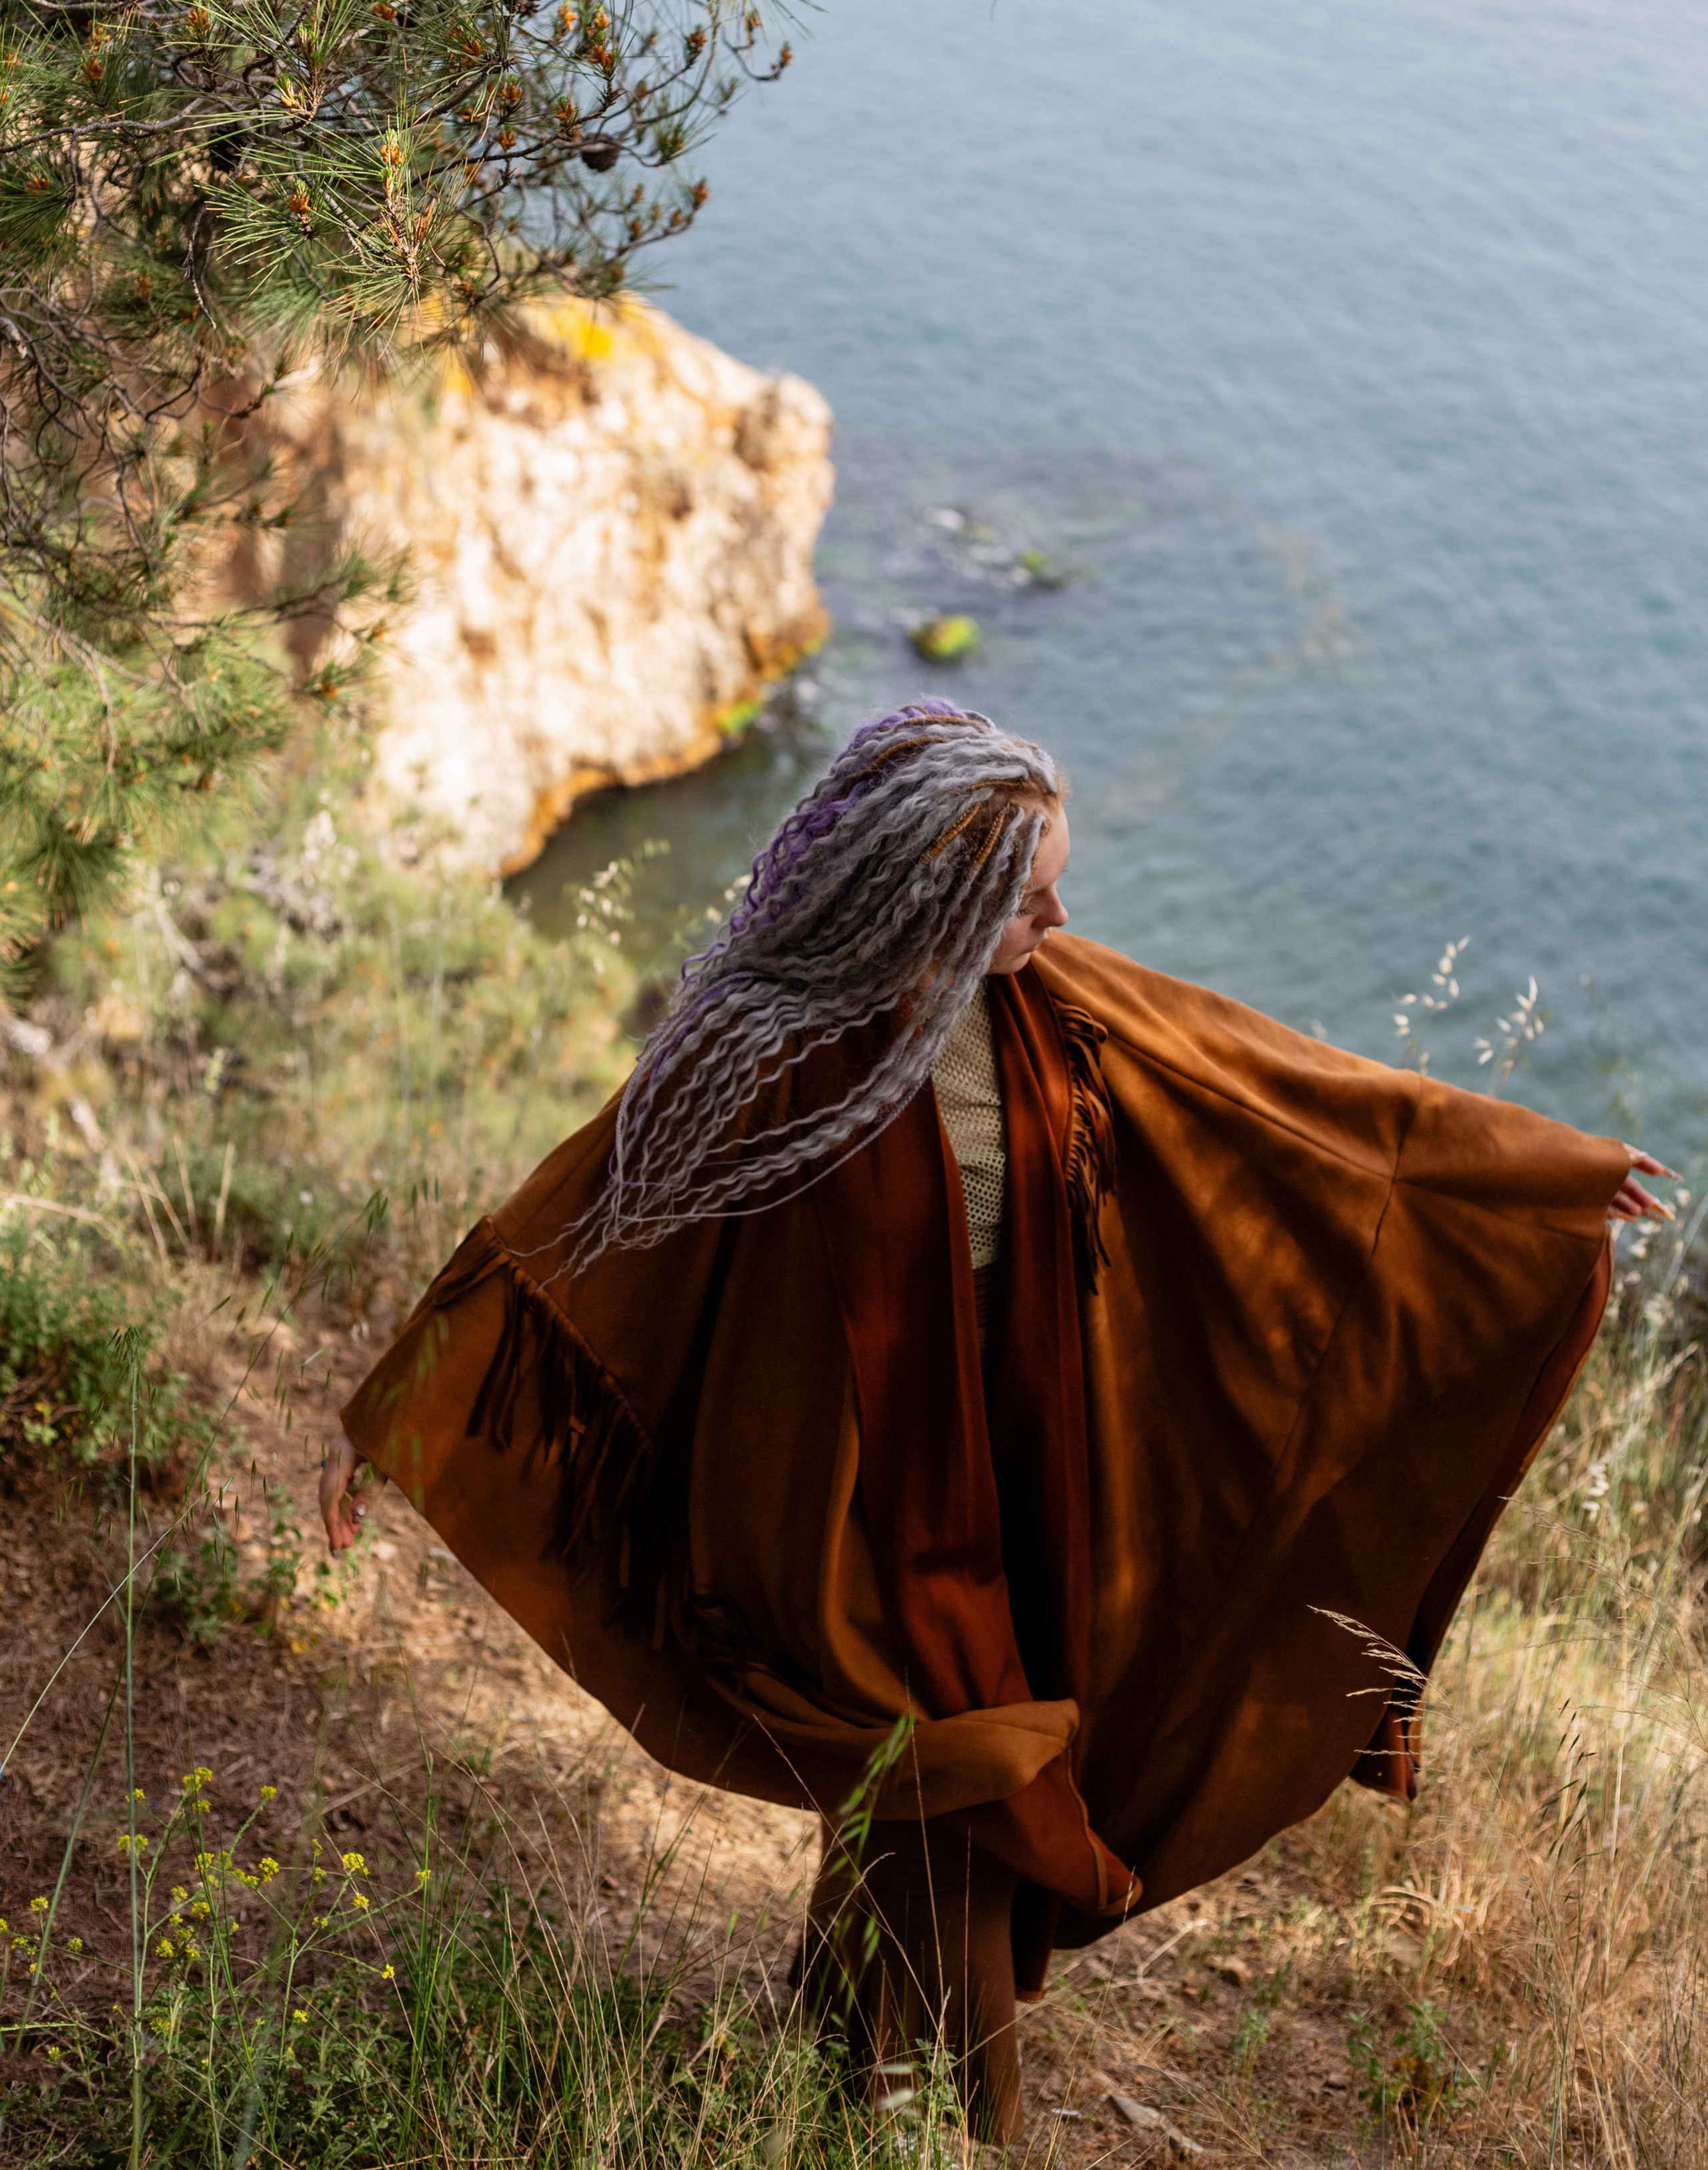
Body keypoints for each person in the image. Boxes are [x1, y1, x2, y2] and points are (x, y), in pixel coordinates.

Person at [321, 702, 1669, 2145]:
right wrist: (386, 1417)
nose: (1060, 916)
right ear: (930, 906)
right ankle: (947, 2118)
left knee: (942, 1793)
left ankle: (848, 2059)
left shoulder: (1046, 1003)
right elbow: (576, 1235)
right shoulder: (763, 1054)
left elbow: (1318, 1115)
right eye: (1027, 900)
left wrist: (1538, 1183)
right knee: (966, 1765)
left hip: (1006, 1469)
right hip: (837, 1516)